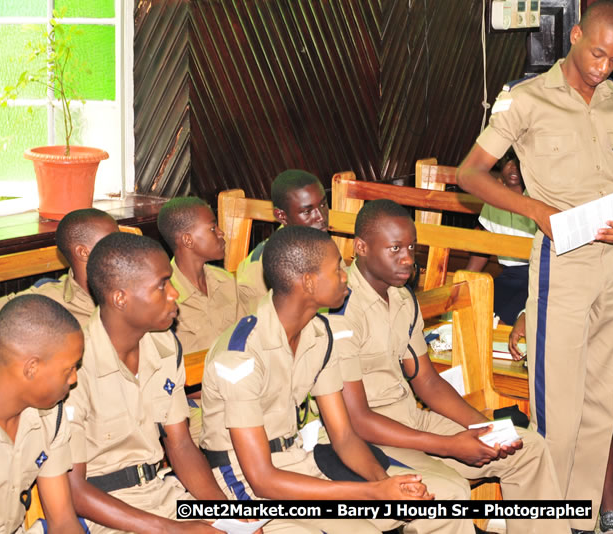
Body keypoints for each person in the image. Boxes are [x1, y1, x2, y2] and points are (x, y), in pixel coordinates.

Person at [456, 2, 613, 531]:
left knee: (598, 400)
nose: (604, 66)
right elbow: (470, 174)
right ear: (576, 35)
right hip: (561, 262)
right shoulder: (525, 98)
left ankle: (579, 518)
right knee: (555, 406)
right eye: (597, 53)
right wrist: (538, 211)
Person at [331, 200, 569, 534]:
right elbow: (357, 419)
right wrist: (449, 445)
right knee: (449, 493)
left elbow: (427, 381)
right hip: (368, 440)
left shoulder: (401, 297)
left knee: (527, 448)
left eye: (412, 247)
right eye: (395, 248)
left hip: (410, 419)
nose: (407, 259)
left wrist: (485, 429)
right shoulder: (342, 307)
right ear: (361, 247)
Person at [199, 225, 451, 534]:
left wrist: (386, 486)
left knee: (430, 507)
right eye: (338, 270)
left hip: (294, 460)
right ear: (308, 282)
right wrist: (373, 493)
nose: (346, 277)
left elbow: (343, 435)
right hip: (242, 479)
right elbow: (261, 478)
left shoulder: (321, 334)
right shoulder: (240, 355)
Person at [510, 206, 613, 532]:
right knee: (558, 372)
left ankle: (605, 482)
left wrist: (608, 324)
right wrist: (526, 313)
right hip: (574, 320)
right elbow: (550, 283)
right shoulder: (570, 221)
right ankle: (563, 489)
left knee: (596, 372)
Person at [65, 232, 230, 534]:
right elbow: (74, 491)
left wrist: (225, 515)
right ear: (120, 298)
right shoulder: (74, 368)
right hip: (107, 512)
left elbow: (180, 444)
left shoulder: (163, 345)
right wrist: (174, 530)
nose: (175, 294)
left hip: (163, 494)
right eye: (161, 285)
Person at [0, 295, 85, 534]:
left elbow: (62, 520)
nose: (74, 379)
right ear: (32, 368)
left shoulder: (49, 415)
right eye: (69, 369)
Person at [0, 209, 120, 323]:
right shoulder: (47, 299)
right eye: (113, 242)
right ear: (83, 252)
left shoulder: (133, 289)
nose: (123, 247)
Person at [157, 197, 245, 353]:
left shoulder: (225, 281)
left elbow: (244, 337)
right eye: (212, 228)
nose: (221, 232)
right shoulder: (164, 298)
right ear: (188, 240)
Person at [236, 170, 330, 313]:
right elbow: (264, 329)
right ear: (282, 216)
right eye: (307, 212)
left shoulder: (321, 243)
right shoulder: (261, 271)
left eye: (323, 205)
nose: (321, 217)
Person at [464, 150, 536, 325]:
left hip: (534, 278)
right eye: (509, 161)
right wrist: (465, 280)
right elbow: (484, 246)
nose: (513, 166)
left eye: (518, 161)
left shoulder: (537, 201)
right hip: (508, 276)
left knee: (505, 320)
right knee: (477, 311)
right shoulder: (493, 202)